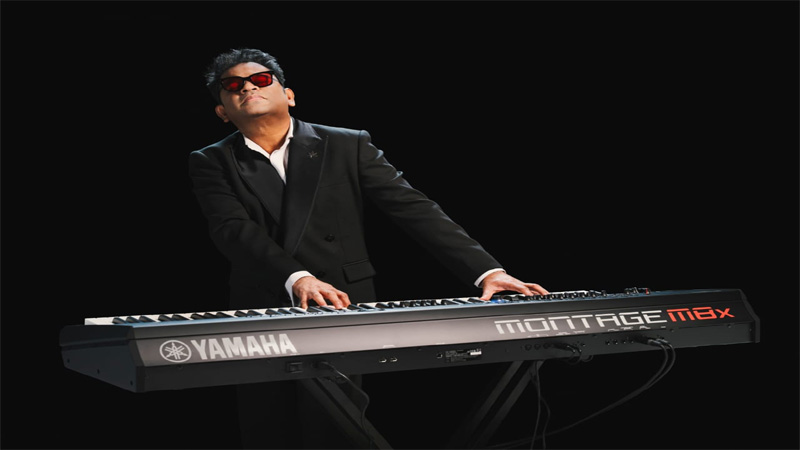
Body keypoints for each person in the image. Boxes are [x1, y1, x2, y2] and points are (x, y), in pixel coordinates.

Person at [188, 48, 549, 449]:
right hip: (262, 303)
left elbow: (414, 209)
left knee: (333, 429)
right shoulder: (211, 160)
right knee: (268, 428)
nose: (248, 88)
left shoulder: (346, 144)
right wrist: (298, 277)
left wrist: (488, 272)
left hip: (341, 301)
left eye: (260, 79)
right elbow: (233, 230)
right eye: (233, 86)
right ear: (222, 111)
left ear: (289, 94)